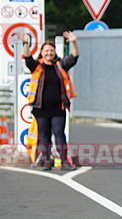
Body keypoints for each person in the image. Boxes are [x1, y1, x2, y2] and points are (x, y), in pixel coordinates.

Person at [22, 31, 79, 170]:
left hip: (58, 108)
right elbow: (27, 57)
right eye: (46, 51)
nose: (49, 53)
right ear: (41, 52)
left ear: (55, 52)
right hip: (40, 108)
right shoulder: (37, 66)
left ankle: (64, 161)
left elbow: (74, 56)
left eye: (51, 50)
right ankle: (47, 161)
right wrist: (25, 43)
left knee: (59, 134)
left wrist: (74, 42)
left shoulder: (60, 65)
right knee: (44, 135)